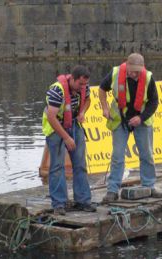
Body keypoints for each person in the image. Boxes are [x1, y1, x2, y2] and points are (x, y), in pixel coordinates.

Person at [99, 53, 162, 202]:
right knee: (117, 155)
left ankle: (149, 185)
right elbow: (102, 89)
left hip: (141, 119)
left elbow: (154, 102)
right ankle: (112, 190)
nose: (134, 74)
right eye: (132, 70)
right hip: (120, 119)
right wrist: (105, 107)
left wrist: (140, 118)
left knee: (147, 153)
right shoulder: (115, 73)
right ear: (126, 66)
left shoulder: (148, 78)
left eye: (137, 71)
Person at [42, 65, 96, 215]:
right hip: (56, 127)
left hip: (74, 123)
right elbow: (51, 117)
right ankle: (59, 204)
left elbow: (88, 100)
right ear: (72, 79)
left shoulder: (84, 87)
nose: (82, 87)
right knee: (57, 167)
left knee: (80, 164)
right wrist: (66, 138)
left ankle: (83, 201)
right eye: (80, 84)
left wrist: (82, 112)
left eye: (85, 84)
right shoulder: (57, 91)